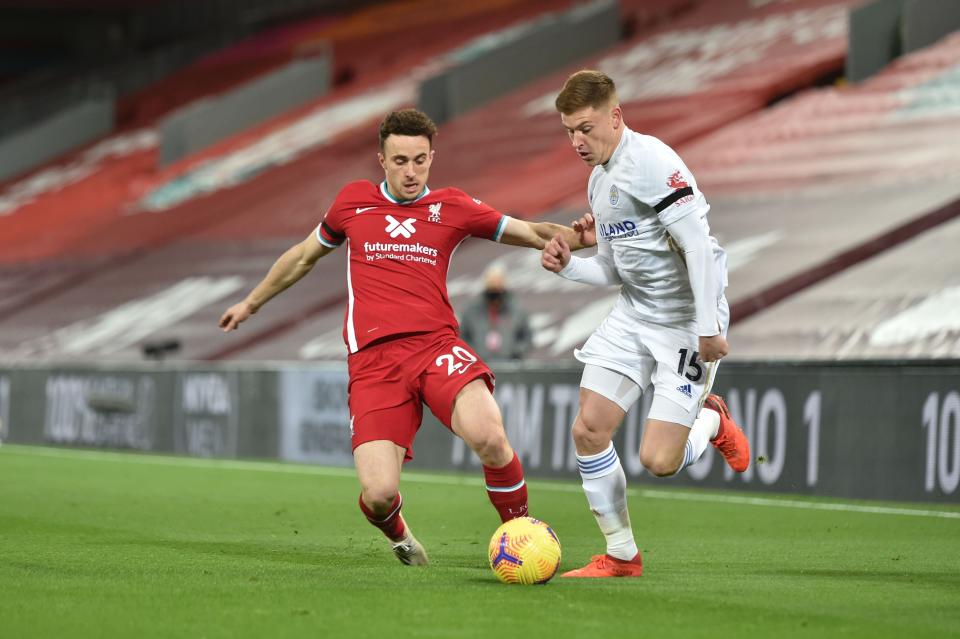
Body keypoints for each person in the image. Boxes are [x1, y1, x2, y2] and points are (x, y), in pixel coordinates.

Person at [220, 108, 589, 567]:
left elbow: (533, 232)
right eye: (400, 161)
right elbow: (302, 257)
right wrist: (251, 304)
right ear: (381, 159)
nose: (410, 172)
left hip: (436, 346)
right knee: (377, 495)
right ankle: (400, 537)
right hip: (373, 362)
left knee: (490, 436)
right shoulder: (352, 202)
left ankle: (521, 536)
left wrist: (581, 239)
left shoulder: (452, 206)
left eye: (419, 160)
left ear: (432, 157)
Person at [541, 70, 751, 578]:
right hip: (635, 313)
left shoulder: (654, 162)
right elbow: (614, 269)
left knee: (659, 460)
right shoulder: (599, 181)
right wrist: (568, 265)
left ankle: (712, 421)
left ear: (615, 116)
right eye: (569, 131)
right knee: (588, 429)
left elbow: (698, 247)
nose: (577, 141)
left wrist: (707, 326)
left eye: (585, 128)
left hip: (684, 322)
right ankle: (620, 555)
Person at [459, 264, 533, 363]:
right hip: (479, 366)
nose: (495, 288)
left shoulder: (517, 310)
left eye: (498, 284)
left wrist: (515, 352)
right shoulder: (471, 310)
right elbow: (462, 337)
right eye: (492, 284)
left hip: (509, 365)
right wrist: (473, 354)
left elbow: (527, 337)